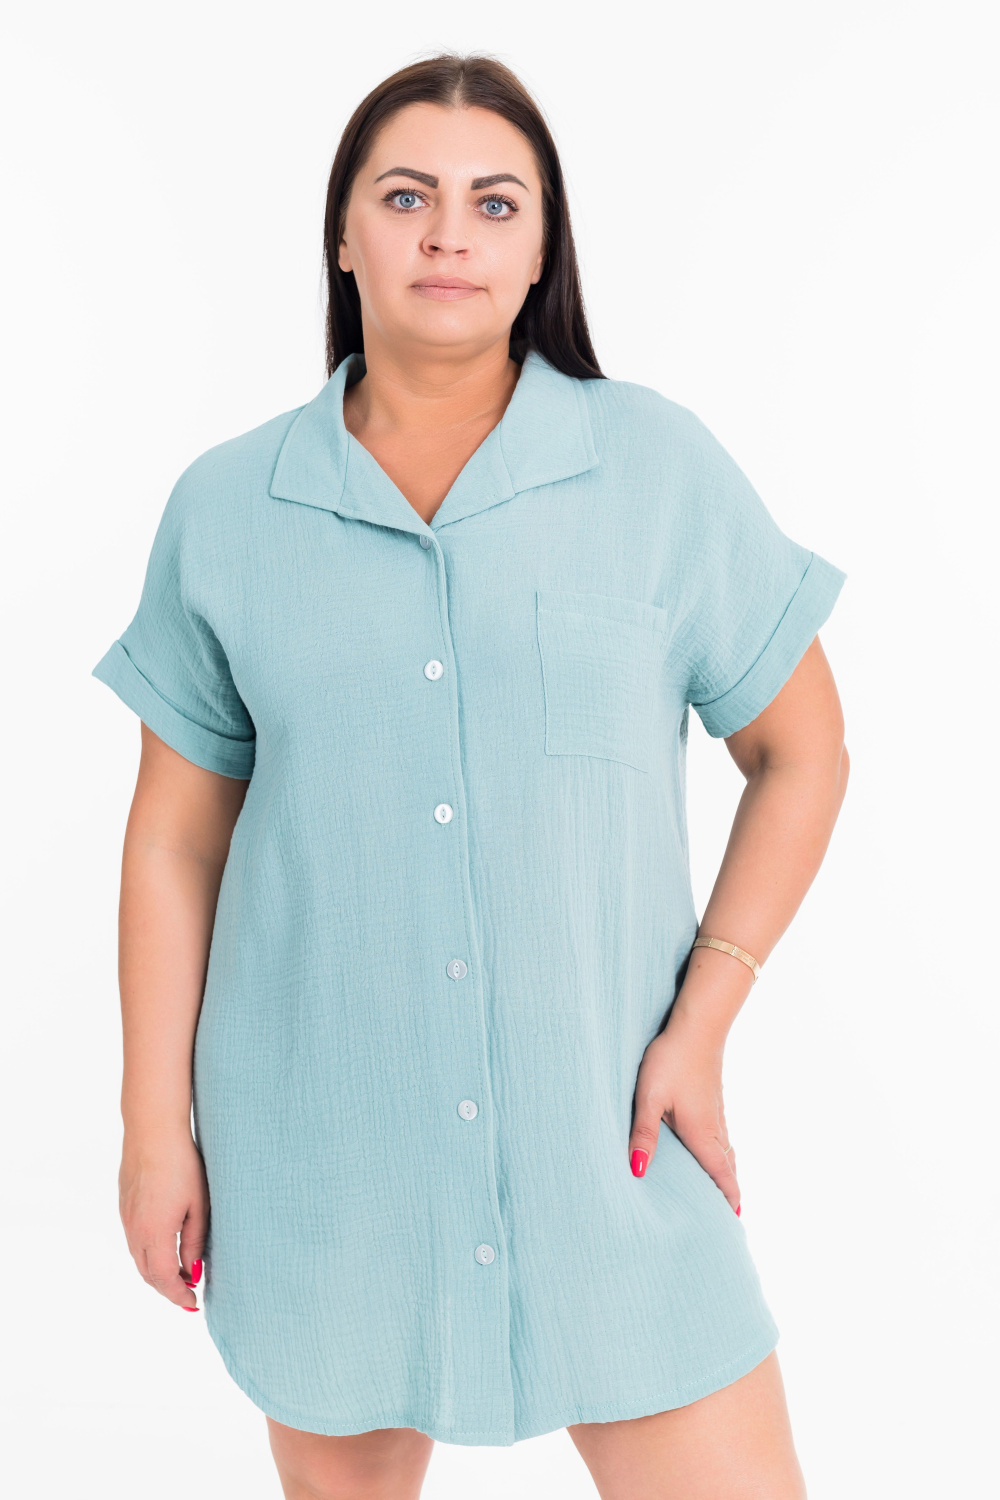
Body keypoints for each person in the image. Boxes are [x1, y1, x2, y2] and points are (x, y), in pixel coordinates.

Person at [92, 52, 849, 1500]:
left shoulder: (655, 469)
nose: (450, 236)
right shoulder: (227, 509)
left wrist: (705, 1018)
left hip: (611, 1149)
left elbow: (802, 751)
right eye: (407, 197)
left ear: (544, 246)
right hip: (324, 1160)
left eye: (496, 203)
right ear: (343, 232)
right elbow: (174, 843)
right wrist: (150, 1135)